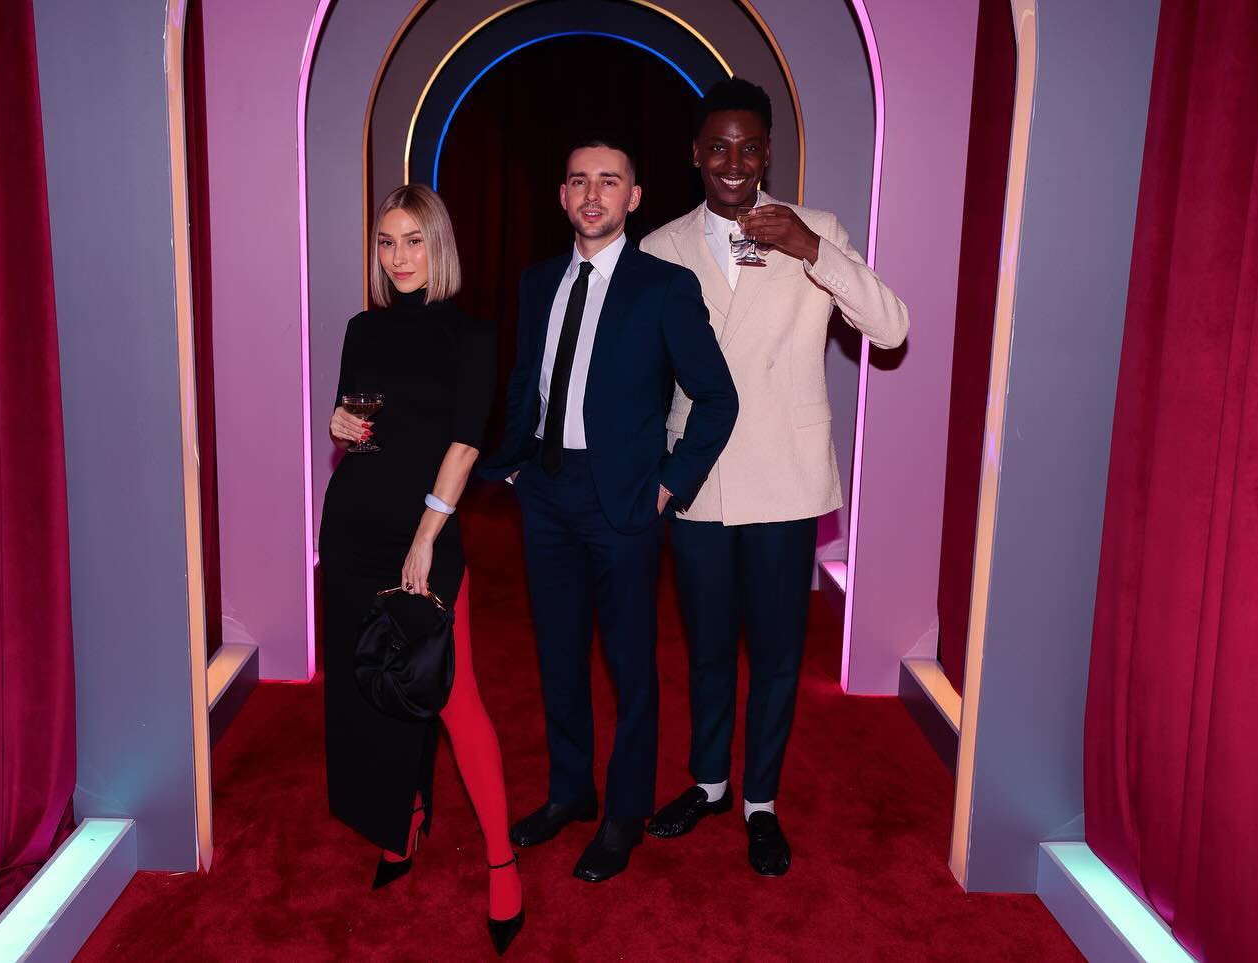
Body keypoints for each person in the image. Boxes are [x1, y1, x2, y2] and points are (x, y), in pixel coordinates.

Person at [640, 78, 909, 876]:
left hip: (786, 480)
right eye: (717, 147)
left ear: (768, 152)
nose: (733, 161)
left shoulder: (814, 228)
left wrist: (813, 252)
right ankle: (711, 781)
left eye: (749, 146)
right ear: (695, 154)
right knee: (709, 647)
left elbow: (892, 327)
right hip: (700, 477)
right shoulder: (661, 246)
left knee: (780, 651)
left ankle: (762, 799)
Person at [480, 137, 738, 883]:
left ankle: (624, 814)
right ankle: (570, 792)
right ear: (562, 196)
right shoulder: (536, 282)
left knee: (630, 666)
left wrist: (668, 483)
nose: (593, 194)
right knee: (557, 654)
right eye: (579, 181)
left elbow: (717, 397)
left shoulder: (664, 285)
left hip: (623, 498)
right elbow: (529, 381)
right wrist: (514, 465)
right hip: (546, 494)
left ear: (635, 196)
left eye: (609, 181)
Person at [319, 185, 524, 955]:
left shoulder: (471, 335)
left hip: (424, 532)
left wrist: (427, 535)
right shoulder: (361, 329)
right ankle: (400, 822)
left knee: (453, 694)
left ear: (438, 245)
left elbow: (465, 443)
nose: (398, 257)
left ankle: (503, 865)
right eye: (385, 241)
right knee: (369, 683)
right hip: (353, 525)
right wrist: (338, 423)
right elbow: (359, 428)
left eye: (412, 240)